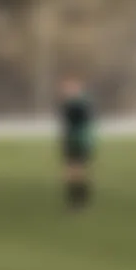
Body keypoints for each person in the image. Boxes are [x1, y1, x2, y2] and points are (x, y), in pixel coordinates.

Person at [60, 76, 94, 210]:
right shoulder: (74, 104)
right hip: (73, 140)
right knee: (73, 171)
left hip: (78, 141)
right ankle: (77, 199)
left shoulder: (77, 105)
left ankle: (78, 200)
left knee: (76, 171)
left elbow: (78, 122)